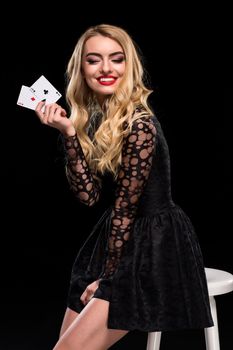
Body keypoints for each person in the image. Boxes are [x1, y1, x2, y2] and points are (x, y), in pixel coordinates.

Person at [35, 24, 214, 350]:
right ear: (82, 69)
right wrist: (68, 134)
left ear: (129, 66)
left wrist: (108, 276)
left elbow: (125, 208)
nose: (106, 68)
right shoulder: (98, 116)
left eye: (116, 59)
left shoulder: (139, 126)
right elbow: (88, 196)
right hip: (121, 239)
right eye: (94, 60)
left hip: (157, 246)